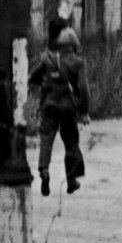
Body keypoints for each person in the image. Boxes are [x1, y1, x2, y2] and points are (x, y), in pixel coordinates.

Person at [29, 27, 89, 197]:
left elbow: (32, 77)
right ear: (73, 44)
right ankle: (71, 180)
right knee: (71, 142)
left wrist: (43, 86)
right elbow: (84, 90)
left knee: (46, 138)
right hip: (68, 107)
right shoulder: (77, 62)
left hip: (49, 105)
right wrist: (84, 112)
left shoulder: (47, 58)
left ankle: (44, 171)